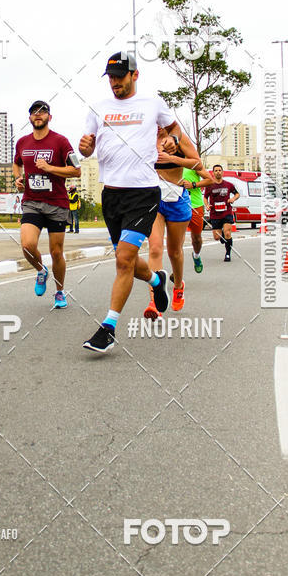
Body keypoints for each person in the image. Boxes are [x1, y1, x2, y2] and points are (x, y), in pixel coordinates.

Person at [79, 51, 199, 353]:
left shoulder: (152, 104)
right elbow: (87, 149)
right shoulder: (98, 108)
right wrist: (85, 146)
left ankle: (108, 328)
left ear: (135, 75)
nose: (115, 82)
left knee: (122, 259)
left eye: (120, 76)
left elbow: (174, 129)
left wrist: (172, 140)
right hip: (112, 196)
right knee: (128, 260)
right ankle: (157, 281)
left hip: (143, 193)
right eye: (111, 77)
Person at [13, 100, 81, 309]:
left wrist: (50, 168)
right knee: (27, 245)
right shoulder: (23, 142)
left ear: (50, 117)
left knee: (56, 252)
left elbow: (76, 170)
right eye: (34, 112)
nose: (38, 115)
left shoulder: (61, 142)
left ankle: (60, 291)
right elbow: (17, 162)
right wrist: (18, 178)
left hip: (56, 203)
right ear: (30, 118)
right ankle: (41, 271)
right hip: (32, 201)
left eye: (43, 112)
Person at [143, 134, 207, 319]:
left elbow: (198, 165)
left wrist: (172, 158)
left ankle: (178, 286)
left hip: (177, 199)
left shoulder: (178, 139)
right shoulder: (143, 136)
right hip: (153, 198)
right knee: (155, 248)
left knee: (174, 252)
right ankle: (155, 301)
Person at [204, 164, 240, 262]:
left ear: (222, 172)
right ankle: (223, 236)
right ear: (213, 173)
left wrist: (232, 198)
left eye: (220, 170)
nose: (218, 172)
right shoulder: (210, 186)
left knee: (228, 233)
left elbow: (237, 194)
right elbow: (205, 197)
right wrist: (207, 205)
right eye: (216, 170)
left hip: (226, 212)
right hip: (215, 214)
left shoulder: (228, 185)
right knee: (217, 237)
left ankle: (228, 254)